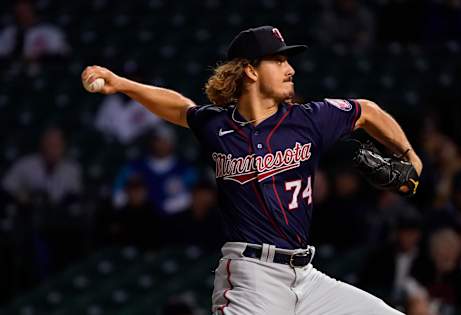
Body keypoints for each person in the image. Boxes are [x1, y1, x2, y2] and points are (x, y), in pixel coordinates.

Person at [81, 25, 422, 315]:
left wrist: (410, 156)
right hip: (251, 276)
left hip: (307, 277)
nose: (290, 68)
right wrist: (123, 84)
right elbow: (179, 108)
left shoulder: (309, 120)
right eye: (279, 60)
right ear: (251, 70)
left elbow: (367, 111)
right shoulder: (217, 126)